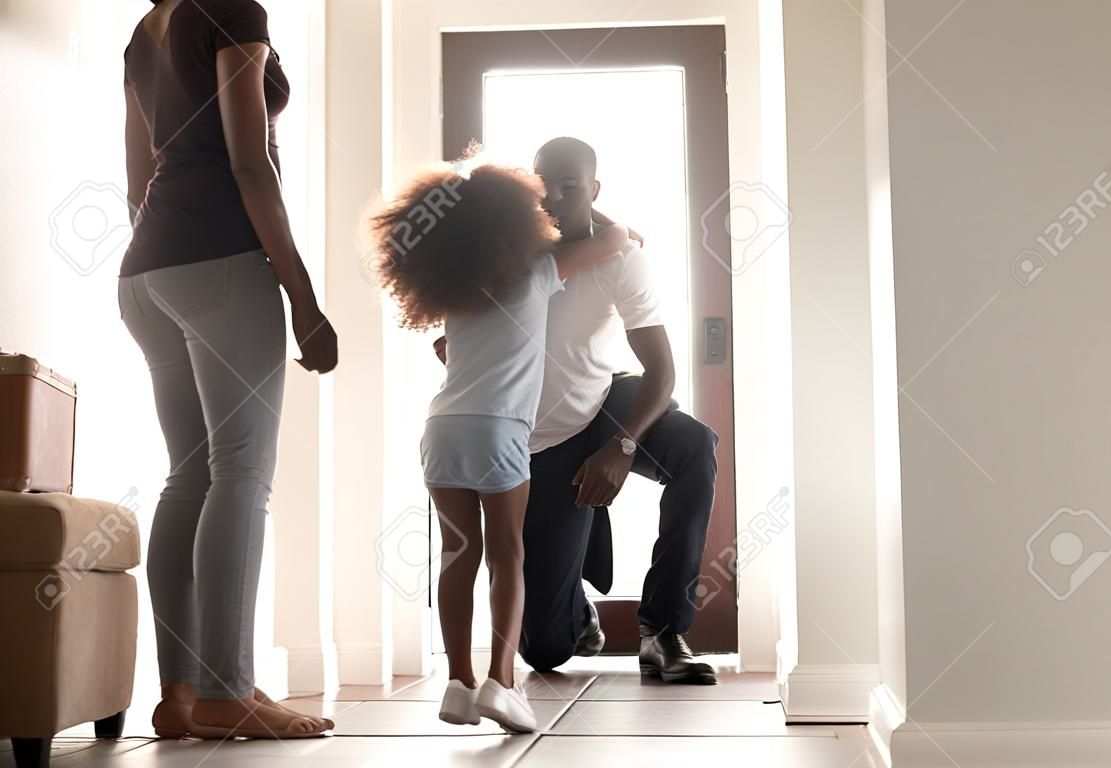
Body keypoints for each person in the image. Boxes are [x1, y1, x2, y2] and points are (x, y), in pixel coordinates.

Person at [120, 0, 337, 739]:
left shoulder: (144, 30)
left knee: (190, 475)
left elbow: (137, 177)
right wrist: (302, 296)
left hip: (145, 271)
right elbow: (250, 160)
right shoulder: (233, 8)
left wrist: (166, 255)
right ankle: (227, 690)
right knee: (242, 471)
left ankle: (180, 694)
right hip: (221, 259)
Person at [369, 160, 629, 732]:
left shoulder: (453, 284)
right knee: (508, 555)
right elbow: (612, 238)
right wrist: (613, 223)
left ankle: (459, 683)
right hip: (500, 429)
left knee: (457, 557)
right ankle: (502, 682)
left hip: (441, 430)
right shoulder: (536, 270)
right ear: (516, 220)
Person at [519, 137, 720, 684]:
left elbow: (662, 370)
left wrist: (623, 445)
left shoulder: (621, 257)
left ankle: (663, 630)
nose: (555, 197)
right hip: (540, 438)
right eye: (544, 184)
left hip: (606, 405)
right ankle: (577, 610)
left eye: (571, 186)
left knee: (694, 445)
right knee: (544, 649)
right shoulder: (507, 250)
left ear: (595, 190)